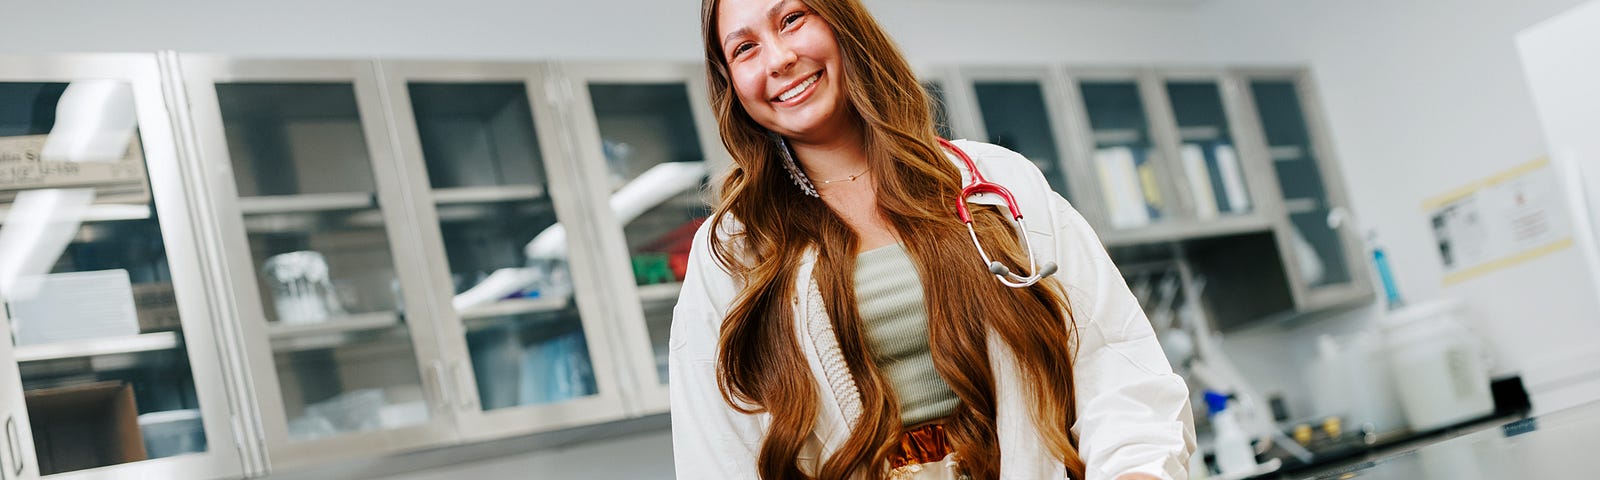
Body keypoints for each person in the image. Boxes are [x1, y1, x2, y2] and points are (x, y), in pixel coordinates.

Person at [670, 0, 1197, 478]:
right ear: (730, 83)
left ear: (842, 22)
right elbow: (716, 455)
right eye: (744, 48)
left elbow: (1116, 366)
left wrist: (1136, 471)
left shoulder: (994, 182)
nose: (778, 58)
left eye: (792, 19)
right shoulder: (732, 252)